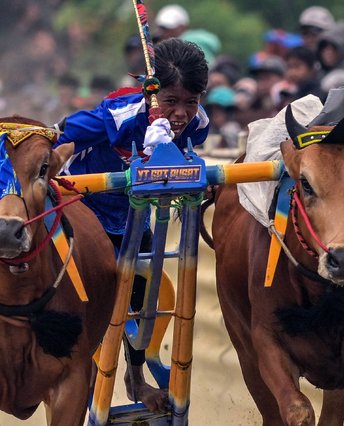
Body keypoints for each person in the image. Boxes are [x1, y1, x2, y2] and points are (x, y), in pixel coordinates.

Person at [53, 38, 209, 412]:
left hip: (133, 219)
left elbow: (187, 157)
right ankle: (77, 381)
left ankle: (135, 378)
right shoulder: (121, 113)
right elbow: (63, 132)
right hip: (86, 211)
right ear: (151, 94)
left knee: (143, 300)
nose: (182, 113)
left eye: (191, 101)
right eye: (171, 101)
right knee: (92, 303)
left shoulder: (198, 124)